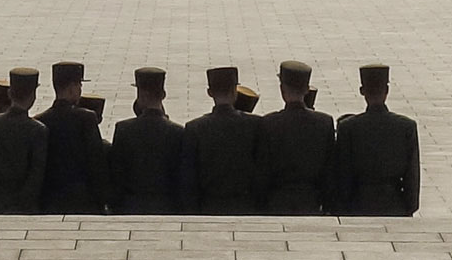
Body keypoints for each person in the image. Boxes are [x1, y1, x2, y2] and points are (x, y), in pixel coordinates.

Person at [333, 64, 420, 216]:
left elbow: (343, 173)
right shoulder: (406, 127)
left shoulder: (348, 127)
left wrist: (343, 207)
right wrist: (409, 206)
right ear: (387, 91)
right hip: (395, 203)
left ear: (362, 91)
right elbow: (412, 175)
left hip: (358, 204)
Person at [255, 60, 335, 215]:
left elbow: (262, 171)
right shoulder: (324, 122)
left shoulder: (269, 123)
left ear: (282, 89)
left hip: (277, 201)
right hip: (311, 201)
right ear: (306, 90)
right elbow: (329, 171)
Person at [180, 66, 261, 214]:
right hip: (247, 206)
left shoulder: (195, 128)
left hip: (209, 206)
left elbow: (189, 178)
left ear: (210, 92)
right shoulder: (256, 125)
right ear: (235, 91)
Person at [0, 68, 48, 213]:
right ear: (33, 96)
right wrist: (22, 205)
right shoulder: (37, 130)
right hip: (25, 208)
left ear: (9, 93)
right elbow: (36, 175)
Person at [35, 62, 109, 213]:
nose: (80, 90)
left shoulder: (40, 121)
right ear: (71, 88)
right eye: (79, 85)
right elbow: (96, 163)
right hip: (83, 201)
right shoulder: (86, 118)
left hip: (50, 201)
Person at [109, 67, 184, 214]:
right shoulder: (177, 132)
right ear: (163, 94)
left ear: (140, 94)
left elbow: (117, 174)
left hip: (130, 206)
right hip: (167, 207)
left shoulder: (124, 129)